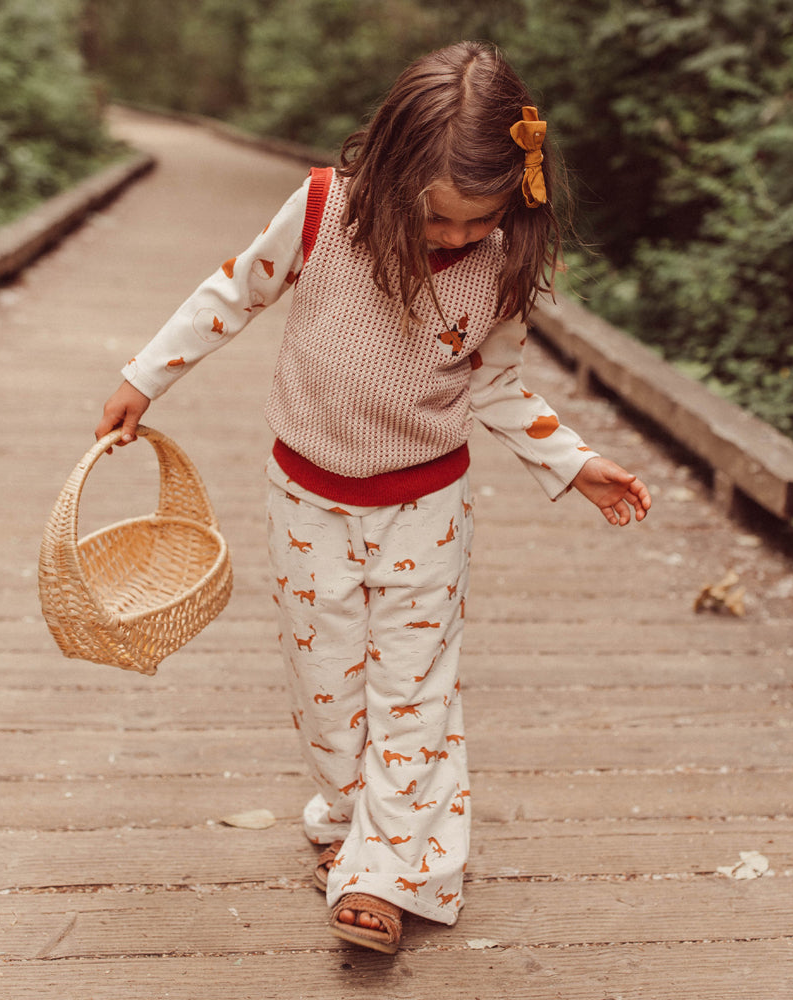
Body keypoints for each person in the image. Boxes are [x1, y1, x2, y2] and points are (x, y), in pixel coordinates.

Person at [95, 40, 651, 955]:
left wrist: (573, 461)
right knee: (328, 690)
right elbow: (233, 293)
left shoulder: (501, 261)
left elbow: (497, 384)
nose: (460, 239)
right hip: (306, 496)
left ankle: (389, 873)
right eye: (442, 221)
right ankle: (351, 818)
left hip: (426, 504)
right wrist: (146, 376)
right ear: (390, 174)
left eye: (482, 220)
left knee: (412, 691)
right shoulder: (322, 213)